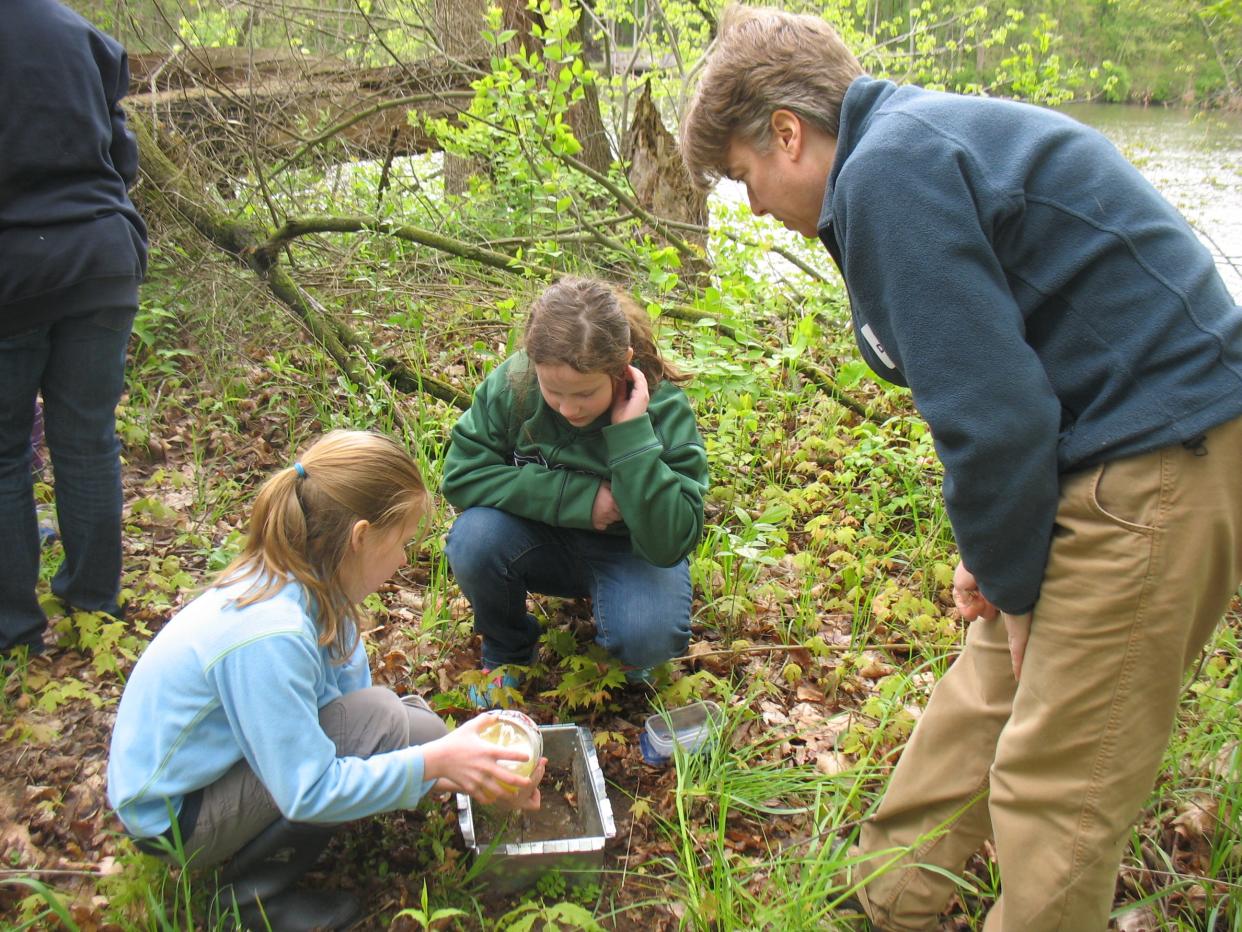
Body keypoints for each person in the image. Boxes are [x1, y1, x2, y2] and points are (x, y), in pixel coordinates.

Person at [680, 6, 1242, 931]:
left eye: (742, 176)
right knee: (988, 682)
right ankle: (886, 896)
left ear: (787, 133)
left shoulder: (891, 171)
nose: (749, 204)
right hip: (1095, 446)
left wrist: (1014, 575)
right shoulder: (905, 150)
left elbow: (996, 416)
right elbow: (1004, 381)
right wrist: (996, 551)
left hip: (1163, 463)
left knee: (1061, 773)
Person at [108, 431, 546, 931]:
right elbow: (310, 789)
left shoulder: (317, 591)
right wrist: (440, 761)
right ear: (360, 536)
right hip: (175, 816)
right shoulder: (269, 634)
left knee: (410, 723)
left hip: (222, 772)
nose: (405, 560)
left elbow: (355, 712)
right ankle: (248, 904)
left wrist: (466, 773)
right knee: (389, 722)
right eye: (402, 543)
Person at [442, 277, 709, 706]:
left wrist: (632, 436)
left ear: (622, 364)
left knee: (649, 634)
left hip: (631, 552)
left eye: (585, 393)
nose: (568, 409)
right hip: (537, 539)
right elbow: (461, 474)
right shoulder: (514, 385)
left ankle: (626, 644)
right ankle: (508, 651)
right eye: (554, 392)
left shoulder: (662, 408)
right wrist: (577, 499)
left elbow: (671, 542)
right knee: (473, 539)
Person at [0, 0, 148, 656]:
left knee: (5, 456)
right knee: (87, 441)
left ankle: (14, 632)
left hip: (15, 266)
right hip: (102, 253)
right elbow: (122, 155)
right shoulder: (76, 31)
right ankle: (95, 606)